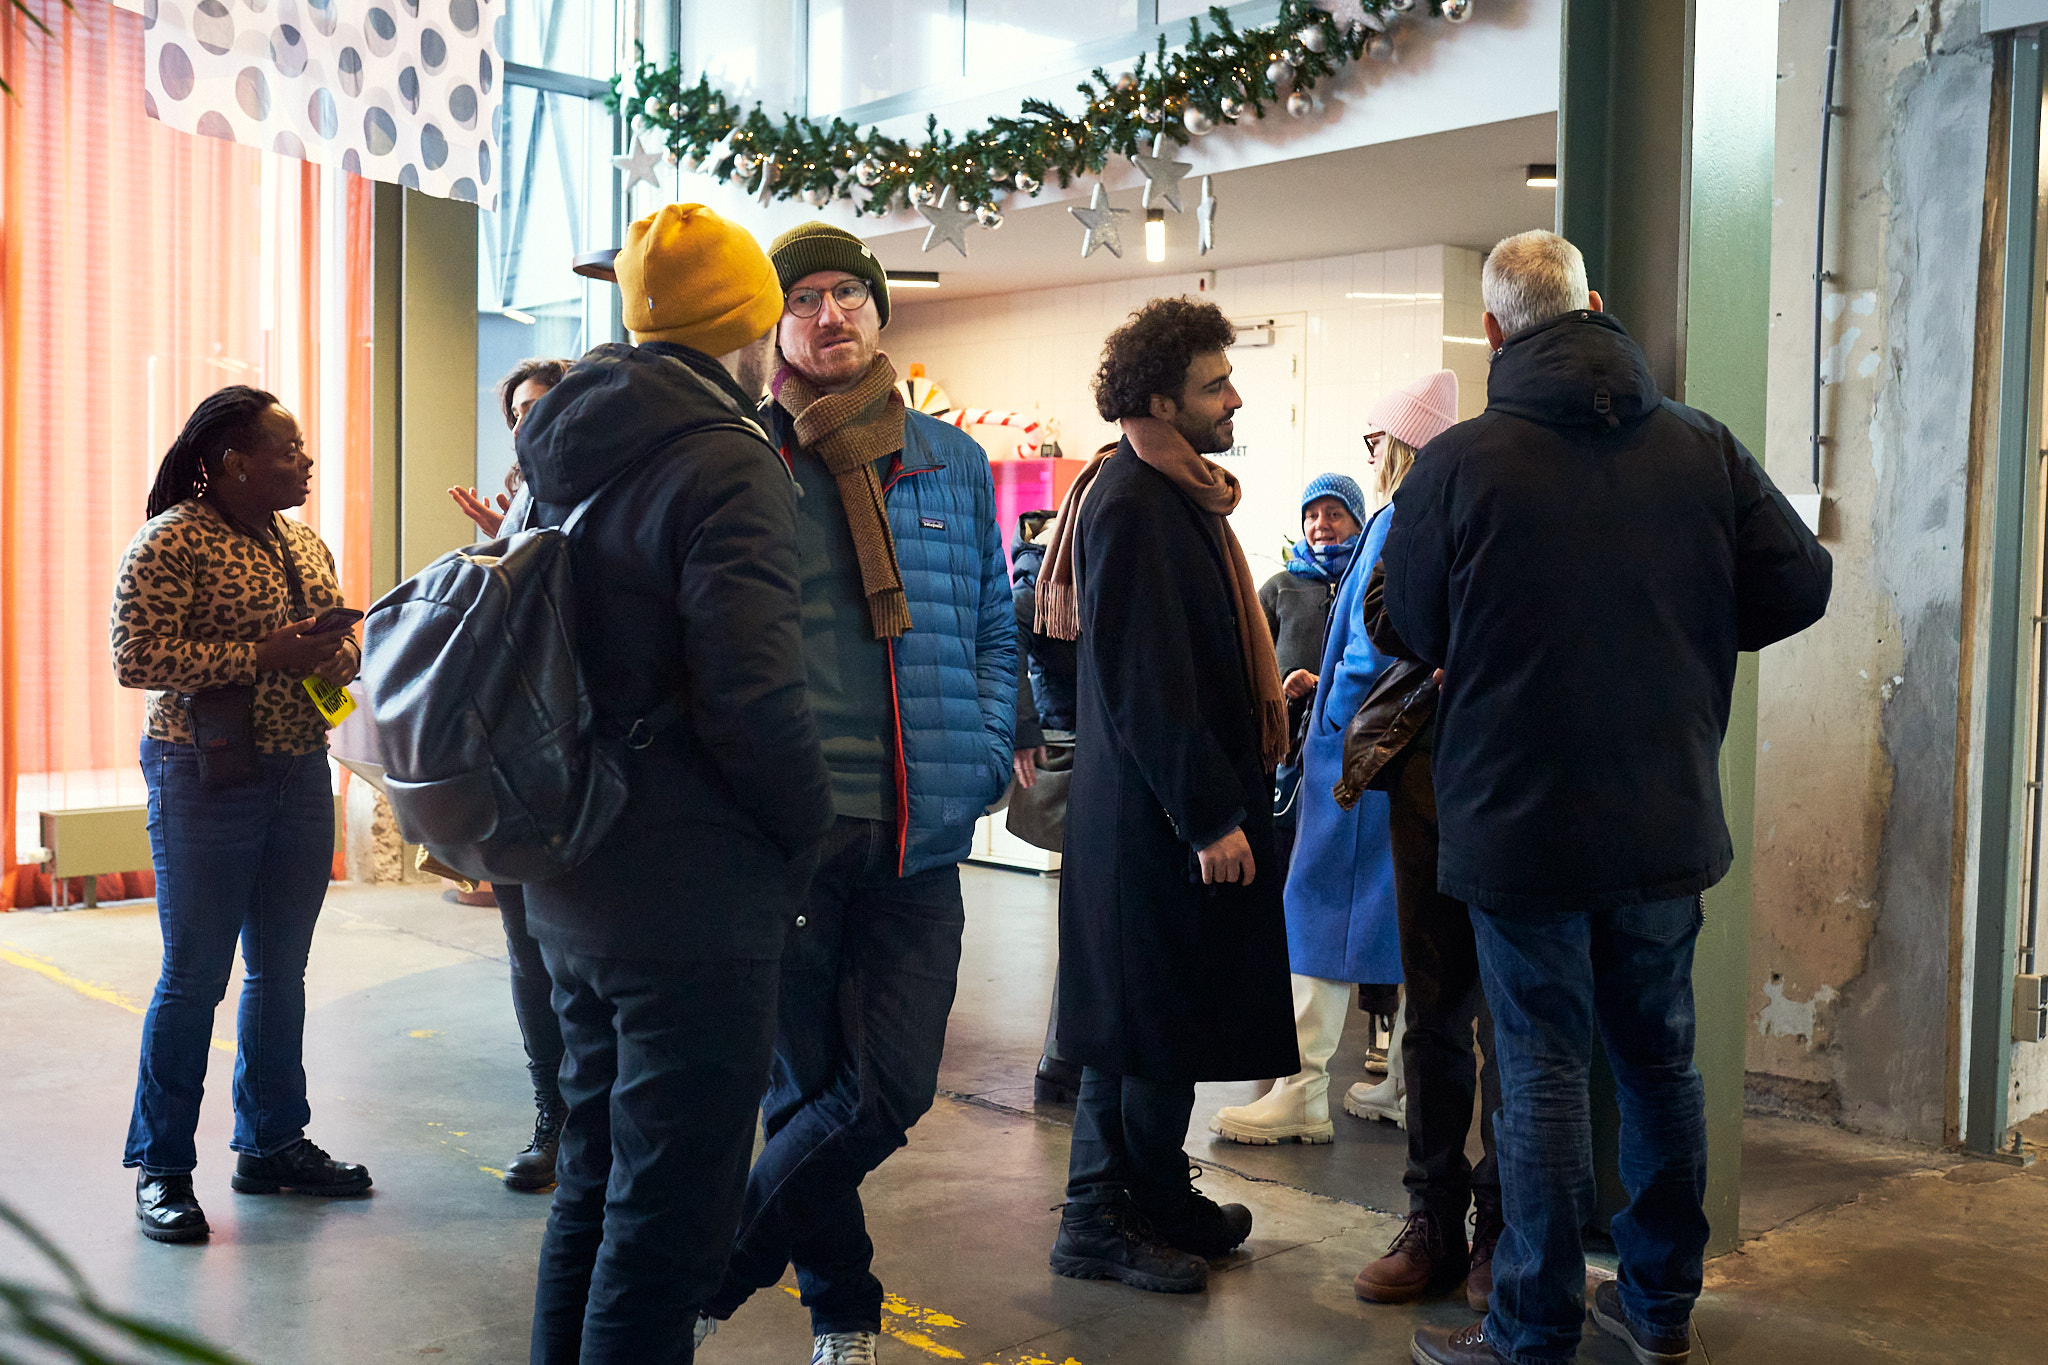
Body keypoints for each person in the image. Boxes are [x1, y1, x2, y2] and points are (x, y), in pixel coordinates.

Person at [1393, 231, 1832, 1365]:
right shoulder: (1701, 445)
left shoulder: (1459, 464)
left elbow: (1413, 625)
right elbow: (1802, 581)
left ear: (1492, 332)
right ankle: (1657, 1308)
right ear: (1596, 301)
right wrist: (1688, 631)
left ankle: (1531, 1328)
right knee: (1658, 1064)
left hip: (1516, 824)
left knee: (1540, 1069)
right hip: (1661, 815)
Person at [514, 203, 833, 1365]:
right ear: (747, 325)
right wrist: (807, 831)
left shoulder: (565, 441)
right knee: (665, 1229)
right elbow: (752, 695)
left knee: (593, 1187)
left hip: (571, 863)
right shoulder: (726, 459)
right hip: (690, 887)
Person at [700, 222, 1015, 1365]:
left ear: (880, 310)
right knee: (805, 1087)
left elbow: (991, 624)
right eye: (803, 298)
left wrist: (986, 744)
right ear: (774, 322)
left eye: (848, 293)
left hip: (916, 829)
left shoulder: (949, 462)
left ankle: (704, 1276)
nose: (828, 314)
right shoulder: (747, 459)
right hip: (789, 826)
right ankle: (843, 1312)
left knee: (886, 1089)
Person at [1036, 297, 1297, 1294]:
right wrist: (1208, 814)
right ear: (1158, 400)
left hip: (1159, 809)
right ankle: (1096, 1218)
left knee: (1163, 1013)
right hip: (1152, 818)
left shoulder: (1172, 493)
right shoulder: (1136, 502)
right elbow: (1145, 678)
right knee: (1134, 1023)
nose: (1234, 399)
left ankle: (1152, 1192)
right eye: (1213, 385)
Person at [112, 385, 370, 1243]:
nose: (305, 460)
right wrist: (264, 654)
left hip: (299, 767)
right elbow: (135, 656)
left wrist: (337, 652)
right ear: (233, 462)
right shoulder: (172, 539)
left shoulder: (302, 540)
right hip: (204, 771)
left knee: (280, 971)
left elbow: (340, 647)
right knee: (195, 975)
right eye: (287, 449)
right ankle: (162, 1167)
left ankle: (271, 1142)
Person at [1210, 374, 1458, 1154]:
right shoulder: (1439, 511)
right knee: (1402, 913)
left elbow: (1370, 639)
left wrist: (1332, 712)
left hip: (1355, 748)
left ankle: (1301, 1087)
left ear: (1397, 445)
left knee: (1315, 905)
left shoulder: (1393, 517)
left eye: (1375, 440)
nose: (1371, 454)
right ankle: (1400, 1084)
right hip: (1407, 746)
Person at [447, 356, 575, 1191]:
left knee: (585, 961)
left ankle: (596, 1124)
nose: (532, 421)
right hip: (520, 764)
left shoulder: (618, 490)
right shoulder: (522, 502)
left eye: (547, 405)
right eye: (520, 411)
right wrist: (500, 549)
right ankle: (552, 1119)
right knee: (530, 957)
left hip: (588, 766)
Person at [1009, 506, 1087, 1106]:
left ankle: (1064, 1058)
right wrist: (1023, 726)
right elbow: (1004, 640)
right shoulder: (1042, 576)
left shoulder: (1075, 566)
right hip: (1072, 746)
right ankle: (1063, 1057)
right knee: (1088, 905)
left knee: (1087, 905)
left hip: (1096, 744)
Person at [449, 356, 568, 540]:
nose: (516, 430)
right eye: (516, 416)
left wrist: (516, 537)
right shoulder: (532, 489)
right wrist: (514, 535)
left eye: (532, 410)